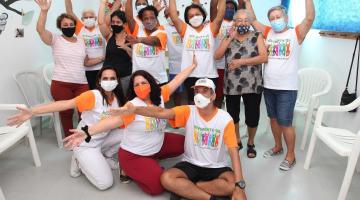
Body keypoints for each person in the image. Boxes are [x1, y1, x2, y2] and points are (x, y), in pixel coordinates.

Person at [63, 56, 198, 195]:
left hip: (158, 143)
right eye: (136, 85)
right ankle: (130, 169)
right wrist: (87, 132)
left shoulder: (160, 95)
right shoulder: (132, 106)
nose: (140, 87)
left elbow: (177, 80)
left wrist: (192, 66)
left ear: (151, 83)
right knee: (157, 187)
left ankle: (151, 162)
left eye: (143, 83)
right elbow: (111, 122)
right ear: (133, 89)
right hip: (134, 155)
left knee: (185, 143)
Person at [114, 78, 248, 200]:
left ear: (213, 96)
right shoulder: (188, 111)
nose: (199, 94)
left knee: (233, 186)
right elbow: (160, 113)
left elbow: (233, 151)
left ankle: (190, 188)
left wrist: (239, 184)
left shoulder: (225, 119)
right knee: (166, 179)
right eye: (197, 91)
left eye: (205, 90)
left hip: (217, 167)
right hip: (190, 164)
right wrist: (134, 110)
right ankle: (209, 198)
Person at [8, 66, 126, 190]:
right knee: (105, 184)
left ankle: (104, 156)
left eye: (112, 78)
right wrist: (33, 111)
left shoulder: (117, 100)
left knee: (126, 133)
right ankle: (78, 160)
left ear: (117, 80)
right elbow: (65, 104)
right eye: (105, 78)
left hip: (102, 138)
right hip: (84, 142)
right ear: (99, 81)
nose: (109, 81)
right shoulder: (93, 96)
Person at [245, 0, 315, 170]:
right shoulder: (268, 32)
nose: (275, 20)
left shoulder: (295, 33)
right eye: (272, 18)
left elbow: (309, 18)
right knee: (273, 119)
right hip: (269, 86)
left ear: (286, 17)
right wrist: (246, 1)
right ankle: (278, 146)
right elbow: (252, 19)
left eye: (278, 16)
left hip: (287, 88)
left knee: (286, 123)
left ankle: (291, 156)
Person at [214, 9, 267, 158]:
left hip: (253, 83)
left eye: (246, 20)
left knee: (252, 116)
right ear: (234, 22)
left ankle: (250, 142)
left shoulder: (257, 36)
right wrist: (229, 39)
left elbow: (264, 57)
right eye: (239, 20)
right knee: (233, 115)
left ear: (250, 22)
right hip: (232, 84)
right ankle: (236, 139)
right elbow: (216, 56)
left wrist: (241, 62)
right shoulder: (228, 36)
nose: (243, 23)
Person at [35, 0, 88, 137]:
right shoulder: (55, 39)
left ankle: (83, 136)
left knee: (86, 111)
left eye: (71, 25)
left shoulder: (82, 41)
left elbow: (85, 62)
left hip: (81, 83)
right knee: (66, 112)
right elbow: (40, 30)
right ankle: (70, 139)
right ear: (60, 27)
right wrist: (44, 11)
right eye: (65, 25)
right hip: (61, 84)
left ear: (75, 26)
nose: (69, 27)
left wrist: (101, 58)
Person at [169, 0, 225, 104]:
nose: (194, 17)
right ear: (187, 19)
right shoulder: (185, 29)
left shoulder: (211, 28)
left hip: (209, 74)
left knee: (209, 104)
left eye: (197, 14)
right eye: (191, 16)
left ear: (203, 15)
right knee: (193, 104)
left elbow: (220, 15)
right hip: (190, 75)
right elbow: (173, 16)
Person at [65, 0, 106, 90]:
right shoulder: (80, 29)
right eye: (86, 17)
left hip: (102, 67)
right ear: (82, 19)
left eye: (91, 17)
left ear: (95, 18)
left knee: (103, 92)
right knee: (91, 94)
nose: (88, 19)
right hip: (87, 69)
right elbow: (69, 11)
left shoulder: (101, 28)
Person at [125, 0, 168, 85]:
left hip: (158, 81)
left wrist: (140, 40)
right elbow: (129, 17)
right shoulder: (136, 30)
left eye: (152, 18)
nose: (149, 21)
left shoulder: (162, 31)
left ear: (156, 18)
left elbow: (155, 40)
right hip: (139, 81)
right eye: (146, 18)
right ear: (142, 20)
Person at [212, 0, 242, 107]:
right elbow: (213, 6)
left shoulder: (238, 23)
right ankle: (216, 114)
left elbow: (242, 7)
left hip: (233, 64)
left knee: (231, 94)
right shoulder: (217, 22)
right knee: (218, 94)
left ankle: (226, 117)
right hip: (218, 65)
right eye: (226, 8)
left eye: (231, 8)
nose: (229, 9)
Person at [99, 1, 133, 94]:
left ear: (124, 24)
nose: (115, 24)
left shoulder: (130, 38)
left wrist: (127, 49)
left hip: (125, 78)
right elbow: (101, 23)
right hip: (108, 78)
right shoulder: (109, 35)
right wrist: (102, 3)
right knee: (108, 102)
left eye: (118, 22)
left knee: (124, 103)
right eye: (113, 22)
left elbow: (135, 58)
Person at [164, 7, 184, 106]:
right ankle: (177, 112)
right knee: (177, 92)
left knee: (191, 90)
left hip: (188, 64)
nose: (169, 17)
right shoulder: (164, 28)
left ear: (177, 13)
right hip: (174, 65)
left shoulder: (185, 25)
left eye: (171, 13)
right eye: (166, 15)